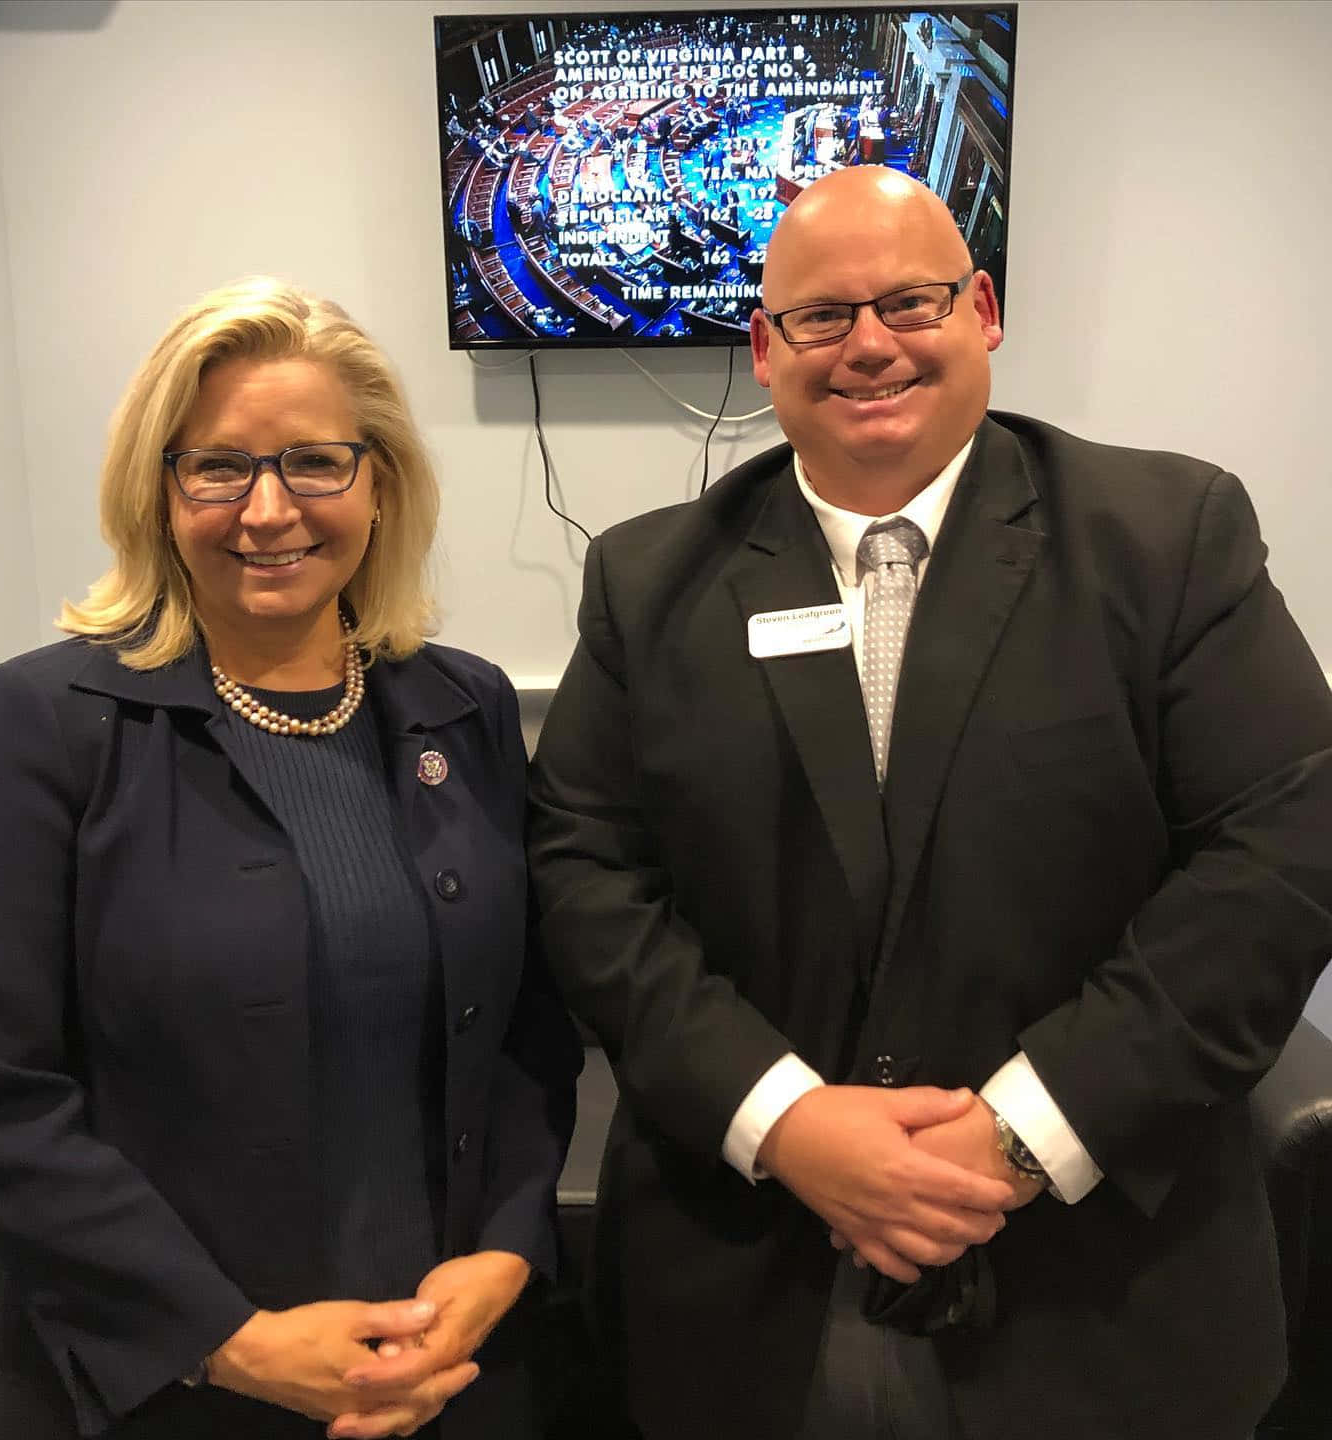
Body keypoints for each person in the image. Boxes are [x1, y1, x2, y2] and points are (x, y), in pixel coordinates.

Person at [526, 165, 1332, 1440]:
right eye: (821, 317)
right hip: (750, 1293)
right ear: (764, 348)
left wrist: (1021, 1129)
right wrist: (785, 1119)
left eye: (910, 302)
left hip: (1102, 1288)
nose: (869, 347)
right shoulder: (646, 580)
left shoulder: (1169, 536)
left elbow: (1284, 846)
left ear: (985, 310)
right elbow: (583, 872)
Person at [0, 277, 581, 1440]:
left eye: (315, 462)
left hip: (446, 1358)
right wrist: (230, 1342)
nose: (269, 510)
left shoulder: (460, 704)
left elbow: (525, 1022)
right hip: (161, 1381)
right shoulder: (46, 720)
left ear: (378, 482)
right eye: (218, 467)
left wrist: (508, 1252)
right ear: (158, 491)